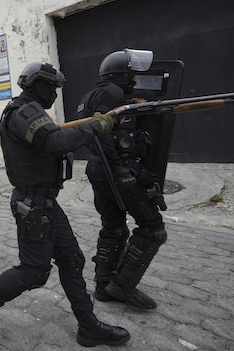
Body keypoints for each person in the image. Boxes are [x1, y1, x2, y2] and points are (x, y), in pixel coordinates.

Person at [0, 62, 130, 348]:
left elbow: (51, 137)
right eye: (51, 86)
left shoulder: (31, 111)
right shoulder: (24, 112)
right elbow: (55, 141)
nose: (54, 92)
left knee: (72, 261)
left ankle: (88, 327)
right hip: (33, 205)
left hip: (46, 202)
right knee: (33, 272)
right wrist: (97, 125)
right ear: (37, 84)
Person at [77, 48, 167, 310]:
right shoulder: (111, 93)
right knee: (152, 228)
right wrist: (120, 172)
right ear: (120, 73)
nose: (134, 79)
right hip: (116, 169)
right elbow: (102, 135)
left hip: (97, 169)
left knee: (113, 226)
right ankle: (122, 286)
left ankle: (104, 286)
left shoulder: (91, 96)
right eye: (131, 74)